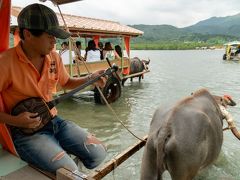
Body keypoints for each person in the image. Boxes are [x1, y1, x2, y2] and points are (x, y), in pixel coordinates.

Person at [0, 3, 107, 174]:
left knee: (99, 153)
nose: (54, 41)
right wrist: (16, 121)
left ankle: (58, 153)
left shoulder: (54, 57)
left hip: (55, 121)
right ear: (27, 34)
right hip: (26, 132)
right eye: (49, 35)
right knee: (70, 173)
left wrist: (90, 79)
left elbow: (66, 82)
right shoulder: (5, 62)